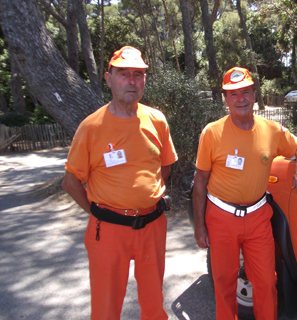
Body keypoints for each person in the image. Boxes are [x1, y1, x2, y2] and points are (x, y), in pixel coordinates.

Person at [61, 46, 177, 320]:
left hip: (152, 225)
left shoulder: (156, 119)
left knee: (153, 302)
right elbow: (70, 182)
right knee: (106, 307)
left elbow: (166, 166)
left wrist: (145, 197)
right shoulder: (92, 127)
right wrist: (98, 213)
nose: (132, 81)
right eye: (124, 74)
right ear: (108, 78)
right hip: (109, 230)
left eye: (138, 75)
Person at [193, 67, 297, 320]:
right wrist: (200, 226)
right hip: (221, 217)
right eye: (233, 94)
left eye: (245, 92)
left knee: (267, 282)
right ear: (226, 99)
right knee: (224, 284)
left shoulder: (271, 130)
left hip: (258, 216)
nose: (241, 99)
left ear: (254, 94)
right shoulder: (212, 133)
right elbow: (200, 181)